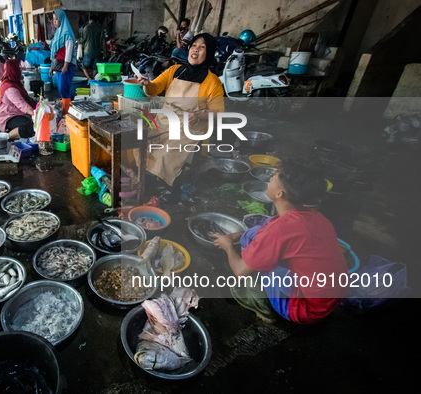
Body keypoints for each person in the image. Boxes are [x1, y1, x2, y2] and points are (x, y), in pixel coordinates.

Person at [212, 160, 349, 324]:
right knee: (256, 234)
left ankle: (261, 304)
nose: (269, 180)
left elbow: (240, 270)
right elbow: (267, 232)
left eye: (273, 178)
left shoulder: (280, 230)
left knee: (256, 265)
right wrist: (234, 237)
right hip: (333, 297)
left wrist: (228, 247)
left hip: (306, 308)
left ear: (280, 194)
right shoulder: (315, 216)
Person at [136, 33, 224, 187]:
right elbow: (154, 89)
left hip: (189, 127)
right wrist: (146, 84)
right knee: (141, 143)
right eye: (194, 46)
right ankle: (145, 180)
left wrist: (198, 116)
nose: (195, 50)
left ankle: (163, 187)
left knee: (165, 153)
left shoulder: (213, 82)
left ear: (209, 53)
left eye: (202, 48)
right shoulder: (174, 71)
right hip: (165, 121)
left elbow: (218, 112)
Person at [0, 59, 38, 140]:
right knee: (31, 127)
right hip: (8, 118)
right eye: (18, 68)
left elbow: (27, 99)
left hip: (18, 114)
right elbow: (23, 106)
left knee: (34, 124)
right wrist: (38, 114)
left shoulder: (15, 83)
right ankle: (6, 137)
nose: (20, 70)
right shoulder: (10, 88)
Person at [50, 9, 77, 115]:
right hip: (59, 65)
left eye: (57, 19)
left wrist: (65, 66)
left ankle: (67, 113)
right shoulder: (58, 33)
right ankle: (65, 110)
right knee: (61, 89)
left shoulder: (67, 34)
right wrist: (53, 67)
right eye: (53, 19)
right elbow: (55, 52)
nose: (54, 21)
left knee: (64, 89)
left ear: (62, 19)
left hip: (67, 65)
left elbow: (69, 51)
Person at [80, 14, 104, 80]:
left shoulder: (86, 28)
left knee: (84, 65)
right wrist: (105, 53)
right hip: (97, 51)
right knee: (95, 67)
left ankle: (88, 78)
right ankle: (94, 79)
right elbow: (103, 42)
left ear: (90, 20)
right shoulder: (100, 28)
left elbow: (83, 39)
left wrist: (78, 41)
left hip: (88, 51)